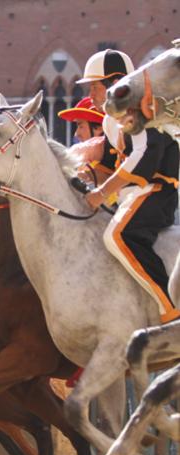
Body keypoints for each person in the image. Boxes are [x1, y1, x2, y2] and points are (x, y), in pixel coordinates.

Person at [79, 49, 179, 323]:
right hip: (135, 195)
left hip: (157, 192)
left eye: (95, 87)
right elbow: (110, 166)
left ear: (115, 84)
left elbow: (145, 156)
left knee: (118, 235)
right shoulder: (111, 120)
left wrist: (102, 192)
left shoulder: (137, 114)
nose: (91, 95)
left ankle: (169, 306)